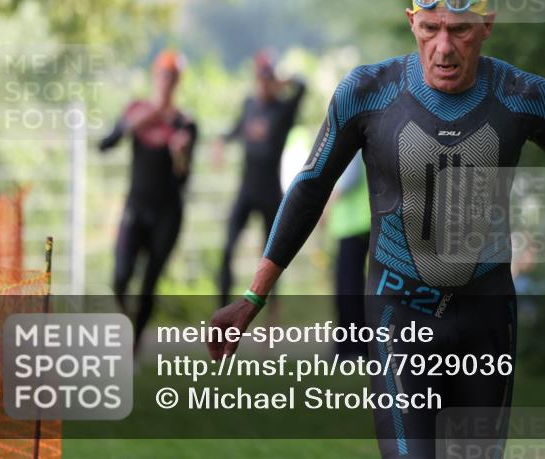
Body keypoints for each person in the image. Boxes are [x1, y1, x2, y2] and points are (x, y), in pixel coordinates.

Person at [208, 0, 545, 458]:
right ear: (412, 22)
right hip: (398, 315)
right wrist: (252, 298)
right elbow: (310, 187)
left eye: (460, 30)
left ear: (487, 26)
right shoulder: (368, 93)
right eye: (430, 28)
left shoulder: (523, 97)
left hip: (486, 317)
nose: (443, 48)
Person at [100, 49, 197, 351]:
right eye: (164, 74)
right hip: (136, 208)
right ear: (155, 76)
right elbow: (106, 144)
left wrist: (179, 155)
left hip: (167, 214)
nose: (167, 81)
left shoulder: (185, 123)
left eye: (173, 76)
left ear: (178, 81)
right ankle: (122, 324)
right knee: (120, 275)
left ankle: (133, 347)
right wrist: (139, 121)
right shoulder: (137, 111)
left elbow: (184, 179)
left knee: (149, 284)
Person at [214, 51, 305, 307]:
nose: (263, 83)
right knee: (228, 249)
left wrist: (284, 80)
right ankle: (220, 309)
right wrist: (220, 142)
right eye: (260, 77)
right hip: (246, 191)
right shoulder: (249, 105)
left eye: (267, 77)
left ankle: (272, 315)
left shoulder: (283, 110)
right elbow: (236, 129)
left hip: (270, 193)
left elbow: (303, 86)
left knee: (272, 259)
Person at [326, 151, 371, 359]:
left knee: (350, 288)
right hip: (346, 225)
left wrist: (324, 205)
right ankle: (346, 347)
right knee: (345, 287)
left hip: (356, 223)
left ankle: (357, 347)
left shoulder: (351, 135)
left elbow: (350, 178)